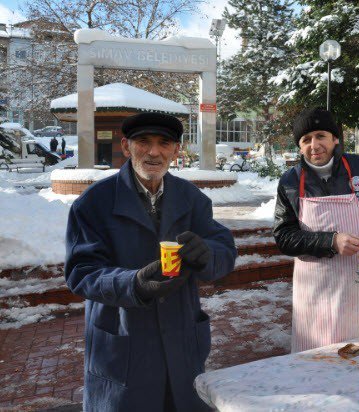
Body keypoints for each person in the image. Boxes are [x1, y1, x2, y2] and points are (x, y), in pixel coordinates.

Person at [65, 112, 237, 411]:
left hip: (181, 337)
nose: (154, 152)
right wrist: (133, 284)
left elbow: (224, 248)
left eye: (164, 143)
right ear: (126, 146)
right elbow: (82, 272)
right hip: (125, 341)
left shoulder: (191, 198)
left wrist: (207, 253)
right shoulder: (94, 203)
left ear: (176, 150)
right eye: (143, 142)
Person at [274, 108, 359, 352]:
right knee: (317, 358)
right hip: (314, 291)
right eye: (306, 140)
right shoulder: (290, 182)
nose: (314, 145)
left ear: (335, 138)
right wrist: (331, 241)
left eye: (321, 136)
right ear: (300, 146)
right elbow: (284, 237)